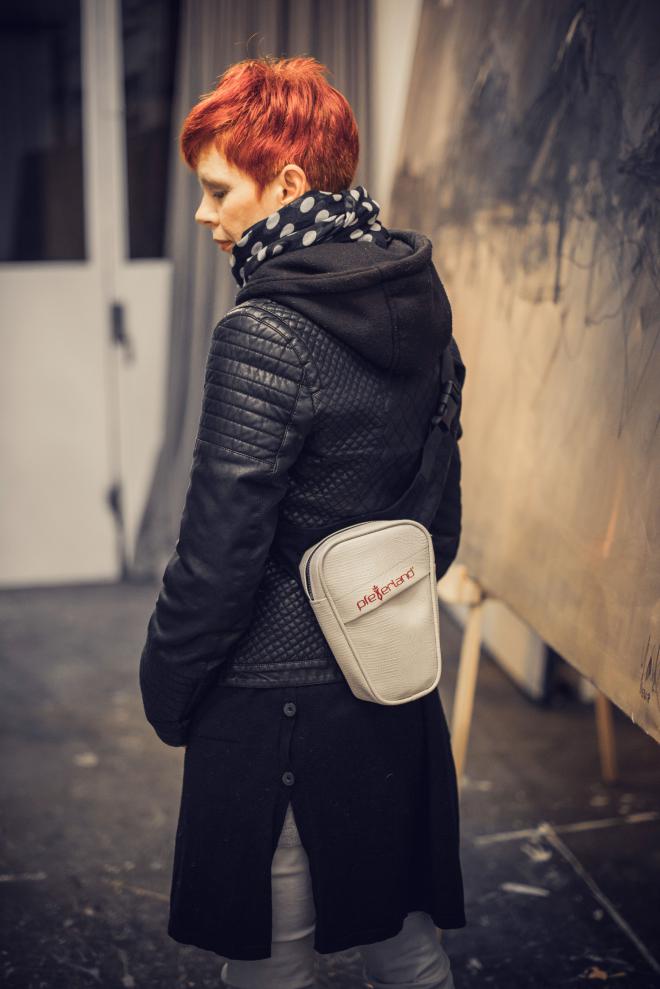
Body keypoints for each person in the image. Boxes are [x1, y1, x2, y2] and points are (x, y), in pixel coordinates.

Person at [139, 54, 466, 989]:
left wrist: (167, 685)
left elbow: (218, 557)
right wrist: (375, 601)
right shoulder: (421, 303)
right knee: (408, 950)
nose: (203, 215)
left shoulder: (266, 333)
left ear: (286, 186)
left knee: (273, 969)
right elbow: (439, 518)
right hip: (390, 676)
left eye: (217, 191)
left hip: (273, 703)